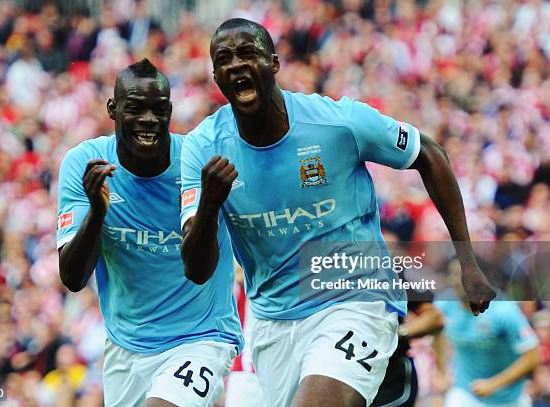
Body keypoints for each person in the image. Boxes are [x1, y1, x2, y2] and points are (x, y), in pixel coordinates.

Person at [179, 17, 496, 407]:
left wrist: (468, 261)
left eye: (248, 53)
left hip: (357, 299)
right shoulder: (202, 148)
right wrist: (209, 205)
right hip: (273, 322)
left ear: (274, 63)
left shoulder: (337, 123)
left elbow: (429, 154)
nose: (236, 65)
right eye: (224, 59)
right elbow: (195, 269)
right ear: (215, 76)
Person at [56, 58, 243, 407]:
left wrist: (210, 206)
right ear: (113, 109)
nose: (149, 120)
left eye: (159, 110)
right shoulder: (86, 162)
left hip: (200, 339)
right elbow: (72, 277)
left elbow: (200, 271)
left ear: (170, 111)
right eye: (136, 109)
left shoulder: (196, 161)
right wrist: (97, 213)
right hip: (126, 347)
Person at [436, 259, 543, 407]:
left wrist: (494, 384)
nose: (453, 281)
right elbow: (435, 330)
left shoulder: (503, 311)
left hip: (507, 399)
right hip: (464, 394)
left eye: (458, 275)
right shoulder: (445, 305)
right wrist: (441, 370)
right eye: (451, 274)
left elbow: (534, 356)